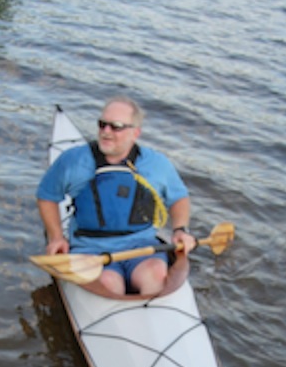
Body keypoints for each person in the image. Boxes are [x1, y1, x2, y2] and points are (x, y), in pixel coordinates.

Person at [36, 96, 196, 295]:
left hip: (141, 246)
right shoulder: (73, 161)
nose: (106, 132)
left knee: (156, 276)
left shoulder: (157, 164)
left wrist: (181, 229)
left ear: (135, 133)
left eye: (116, 127)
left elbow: (179, 197)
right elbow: (47, 196)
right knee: (110, 283)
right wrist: (56, 237)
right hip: (90, 248)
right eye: (102, 124)